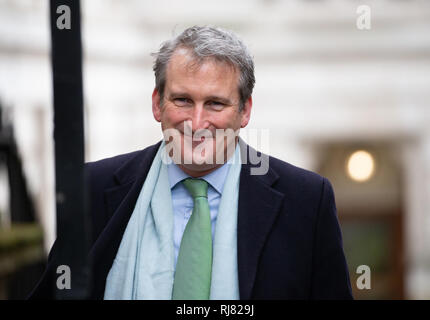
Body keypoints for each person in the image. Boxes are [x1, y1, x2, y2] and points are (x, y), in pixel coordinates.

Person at [30, 26, 353, 300]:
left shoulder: (307, 198)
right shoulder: (94, 187)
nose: (197, 122)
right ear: (157, 104)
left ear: (245, 111)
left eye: (215, 103)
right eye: (183, 100)